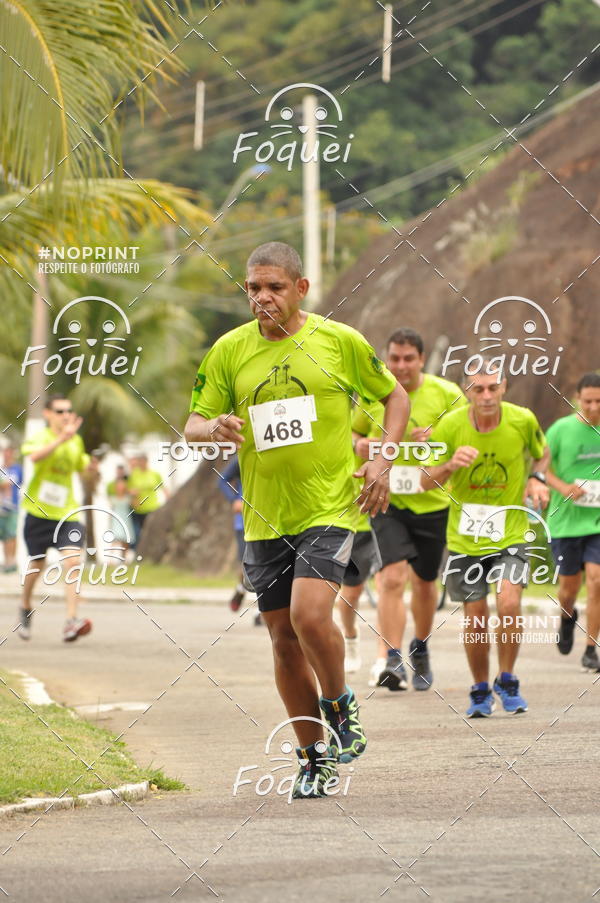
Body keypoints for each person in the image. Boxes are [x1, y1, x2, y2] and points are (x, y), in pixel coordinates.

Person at [185, 241, 410, 798]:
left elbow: (396, 397)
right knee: (283, 640)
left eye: (274, 287)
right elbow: (190, 424)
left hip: (330, 507)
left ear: (300, 289)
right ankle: (313, 760)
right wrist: (213, 428)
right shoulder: (228, 351)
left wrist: (382, 459)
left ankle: (338, 702)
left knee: (312, 617)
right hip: (265, 518)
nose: (263, 298)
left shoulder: (338, 341)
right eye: (253, 288)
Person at [421, 363, 549, 717]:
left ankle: (507, 680)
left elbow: (542, 451)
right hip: (466, 538)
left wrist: (537, 477)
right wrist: (449, 467)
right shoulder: (450, 426)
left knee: (508, 604)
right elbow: (423, 481)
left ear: (504, 386)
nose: (487, 396)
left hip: (509, 531)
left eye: (493, 387)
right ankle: (480, 689)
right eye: (479, 390)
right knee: (476, 617)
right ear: (467, 392)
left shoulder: (523, 420)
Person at [351, 328, 465, 691]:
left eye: (408, 359)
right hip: (387, 501)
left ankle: (421, 647)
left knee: (426, 582)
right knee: (392, 576)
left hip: (433, 502)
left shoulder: (446, 395)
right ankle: (391, 658)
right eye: (394, 358)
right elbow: (351, 436)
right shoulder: (372, 395)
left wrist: (437, 439)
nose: (400, 366)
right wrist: (364, 444)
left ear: (421, 359)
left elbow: (466, 437)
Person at [19, 394, 93, 642]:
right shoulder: (41, 437)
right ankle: (26, 605)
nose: (65, 416)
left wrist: (91, 467)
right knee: (36, 566)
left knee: (72, 562)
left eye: (68, 411)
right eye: (59, 412)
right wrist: (62, 439)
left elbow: (81, 467)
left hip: (67, 513)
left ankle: (71, 621)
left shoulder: (76, 441)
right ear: (48, 414)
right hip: (38, 513)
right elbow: (34, 457)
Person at [545, 372, 600, 672]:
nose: (593, 407)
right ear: (578, 399)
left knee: (597, 580)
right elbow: (541, 469)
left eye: (599, 401)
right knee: (569, 587)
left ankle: (591, 648)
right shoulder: (560, 430)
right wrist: (564, 487)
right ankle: (567, 618)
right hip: (566, 522)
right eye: (588, 401)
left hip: (597, 523)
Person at [336, 414, 382, 674]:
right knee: (351, 592)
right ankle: (351, 638)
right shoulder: (352, 419)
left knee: (390, 584)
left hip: (393, 515)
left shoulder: (398, 409)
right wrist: (357, 444)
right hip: (357, 522)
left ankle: (386, 658)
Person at [128, 454, 168, 549]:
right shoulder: (134, 474)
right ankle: (140, 552)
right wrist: (132, 493)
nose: (141, 464)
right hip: (138, 509)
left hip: (152, 507)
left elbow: (163, 488)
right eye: (139, 462)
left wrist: (169, 499)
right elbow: (129, 489)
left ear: (146, 462)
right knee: (139, 533)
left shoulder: (154, 474)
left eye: (142, 462)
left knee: (152, 531)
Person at [0, 446, 23, 573]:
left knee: (11, 534)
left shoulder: (17, 469)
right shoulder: (2, 468)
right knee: (4, 536)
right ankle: (7, 561)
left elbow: (15, 483)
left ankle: (12, 561)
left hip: (13, 506)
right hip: (1, 507)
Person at [106, 465, 134, 564]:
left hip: (126, 519)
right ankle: (110, 559)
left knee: (125, 540)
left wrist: (133, 494)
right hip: (116, 520)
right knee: (115, 539)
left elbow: (135, 504)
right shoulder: (113, 497)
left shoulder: (128, 498)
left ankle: (124, 559)